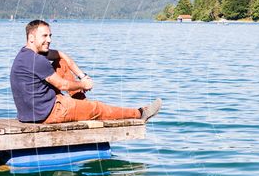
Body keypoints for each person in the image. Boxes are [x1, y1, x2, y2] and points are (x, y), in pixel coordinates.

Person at [10, 19, 161, 124]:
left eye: (50, 36)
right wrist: (83, 84)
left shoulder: (26, 54)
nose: (49, 39)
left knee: (61, 63)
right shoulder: (38, 60)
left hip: (30, 112)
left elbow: (61, 56)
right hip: (49, 112)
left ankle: (82, 105)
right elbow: (62, 85)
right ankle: (141, 113)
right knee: (98, 108)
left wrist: (82, 75)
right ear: (31, 37)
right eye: (44, 36)